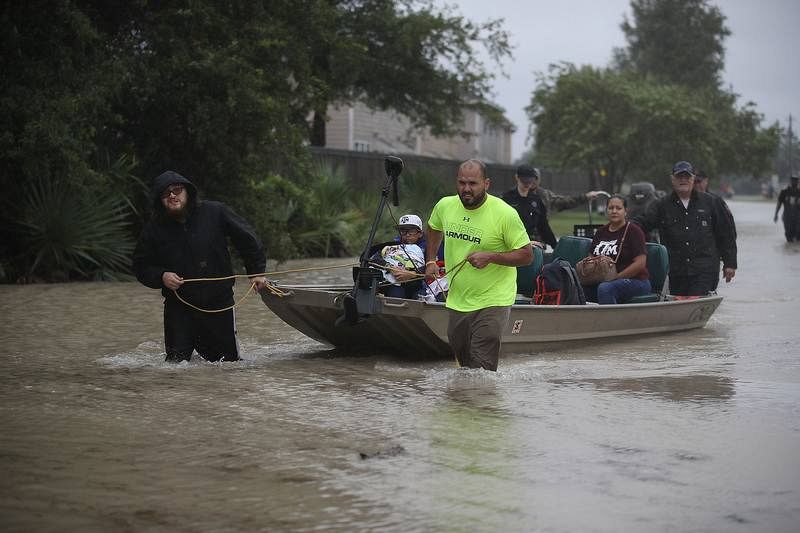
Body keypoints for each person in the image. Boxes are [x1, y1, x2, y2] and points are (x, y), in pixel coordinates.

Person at [132, 171, 267, 363]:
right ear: (159, 200)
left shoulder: (216, 212)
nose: (172, 195)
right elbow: (140, 266)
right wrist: (161, 276)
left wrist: (256, 273)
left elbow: (247, 239)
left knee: (228, 365)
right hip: (179, 308)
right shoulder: (153, 230)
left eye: (176, 190)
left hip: (219, 304)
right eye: (165, 193)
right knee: (175, 367)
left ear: (187, 192)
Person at [424, 159, 532, 371]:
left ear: (486, 184)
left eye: (473, 184)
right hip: (458, 299)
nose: (466, 189)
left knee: (481, 368)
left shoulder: (504, 214)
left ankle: (483, 403)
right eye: (462, 183)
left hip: (494, 299)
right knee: (465, 367)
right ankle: (464, 404)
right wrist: (431, 259)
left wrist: (491, 257)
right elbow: (434, 227)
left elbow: (527, 255)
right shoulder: (445, 205)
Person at [631, 161, 737, 296]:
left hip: (705, 269)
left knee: (697, 304)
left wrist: (730, 263)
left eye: (687, 177)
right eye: (679, 177)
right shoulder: (661, 205)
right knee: (679, 307)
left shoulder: (712, 202)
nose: (683, 180)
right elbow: (642, 223)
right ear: (672, 179)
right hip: (675, 271)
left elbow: (726, 233)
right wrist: (620, 228)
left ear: (693, 178)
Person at [581, 195, 651, 304]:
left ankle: (611, 320)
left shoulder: (634, 231)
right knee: (579, 289)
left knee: (605, 289)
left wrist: (617, 277)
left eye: (618, 208)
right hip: (604, 279)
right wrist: (597, 263)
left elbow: (640, 263)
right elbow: (591, 257)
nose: (614, 211)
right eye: (610, 208)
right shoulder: (601, 232)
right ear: (606, 210)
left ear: (625, 211)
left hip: (636, 281)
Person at [500, 164, 557, 249]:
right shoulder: (507, 198)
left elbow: (543, 226)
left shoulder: (536, 200)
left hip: (533, 245)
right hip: (512, 244)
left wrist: (555, 246)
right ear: (517, 177)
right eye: (524, 181)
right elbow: (500, 225)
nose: (527, 184)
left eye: (530, 181)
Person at [372, 214, 426, 299]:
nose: (407, 235)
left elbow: (436, 266)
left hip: (420, 283)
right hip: (394, 281)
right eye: (403, 231)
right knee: (396, 293)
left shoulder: (429, 247)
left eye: (411, 231)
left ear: (420, 233)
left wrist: (412, 274)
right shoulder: (393, 245)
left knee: (420, 295)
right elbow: (374, 259)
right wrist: (390, 268)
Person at [511, 164, 600, 215]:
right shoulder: (511, 195)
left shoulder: (545, 195)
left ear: (539, 180)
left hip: (539, 241)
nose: (532, 182)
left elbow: (565, 201)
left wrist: (585, 197)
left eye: (535, 178)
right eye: (528, 178)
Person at [774, 176, 800, 242]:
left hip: (798, 218)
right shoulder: (784, 192)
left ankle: (795, 250)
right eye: (793, 180)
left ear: (798, 182)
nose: (794, 182)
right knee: (788, 235)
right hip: (787, 218)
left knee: (798, 234)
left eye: (796, 181)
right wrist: (776, 214)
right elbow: (779, 204)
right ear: (790, 181)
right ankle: (790, 249)